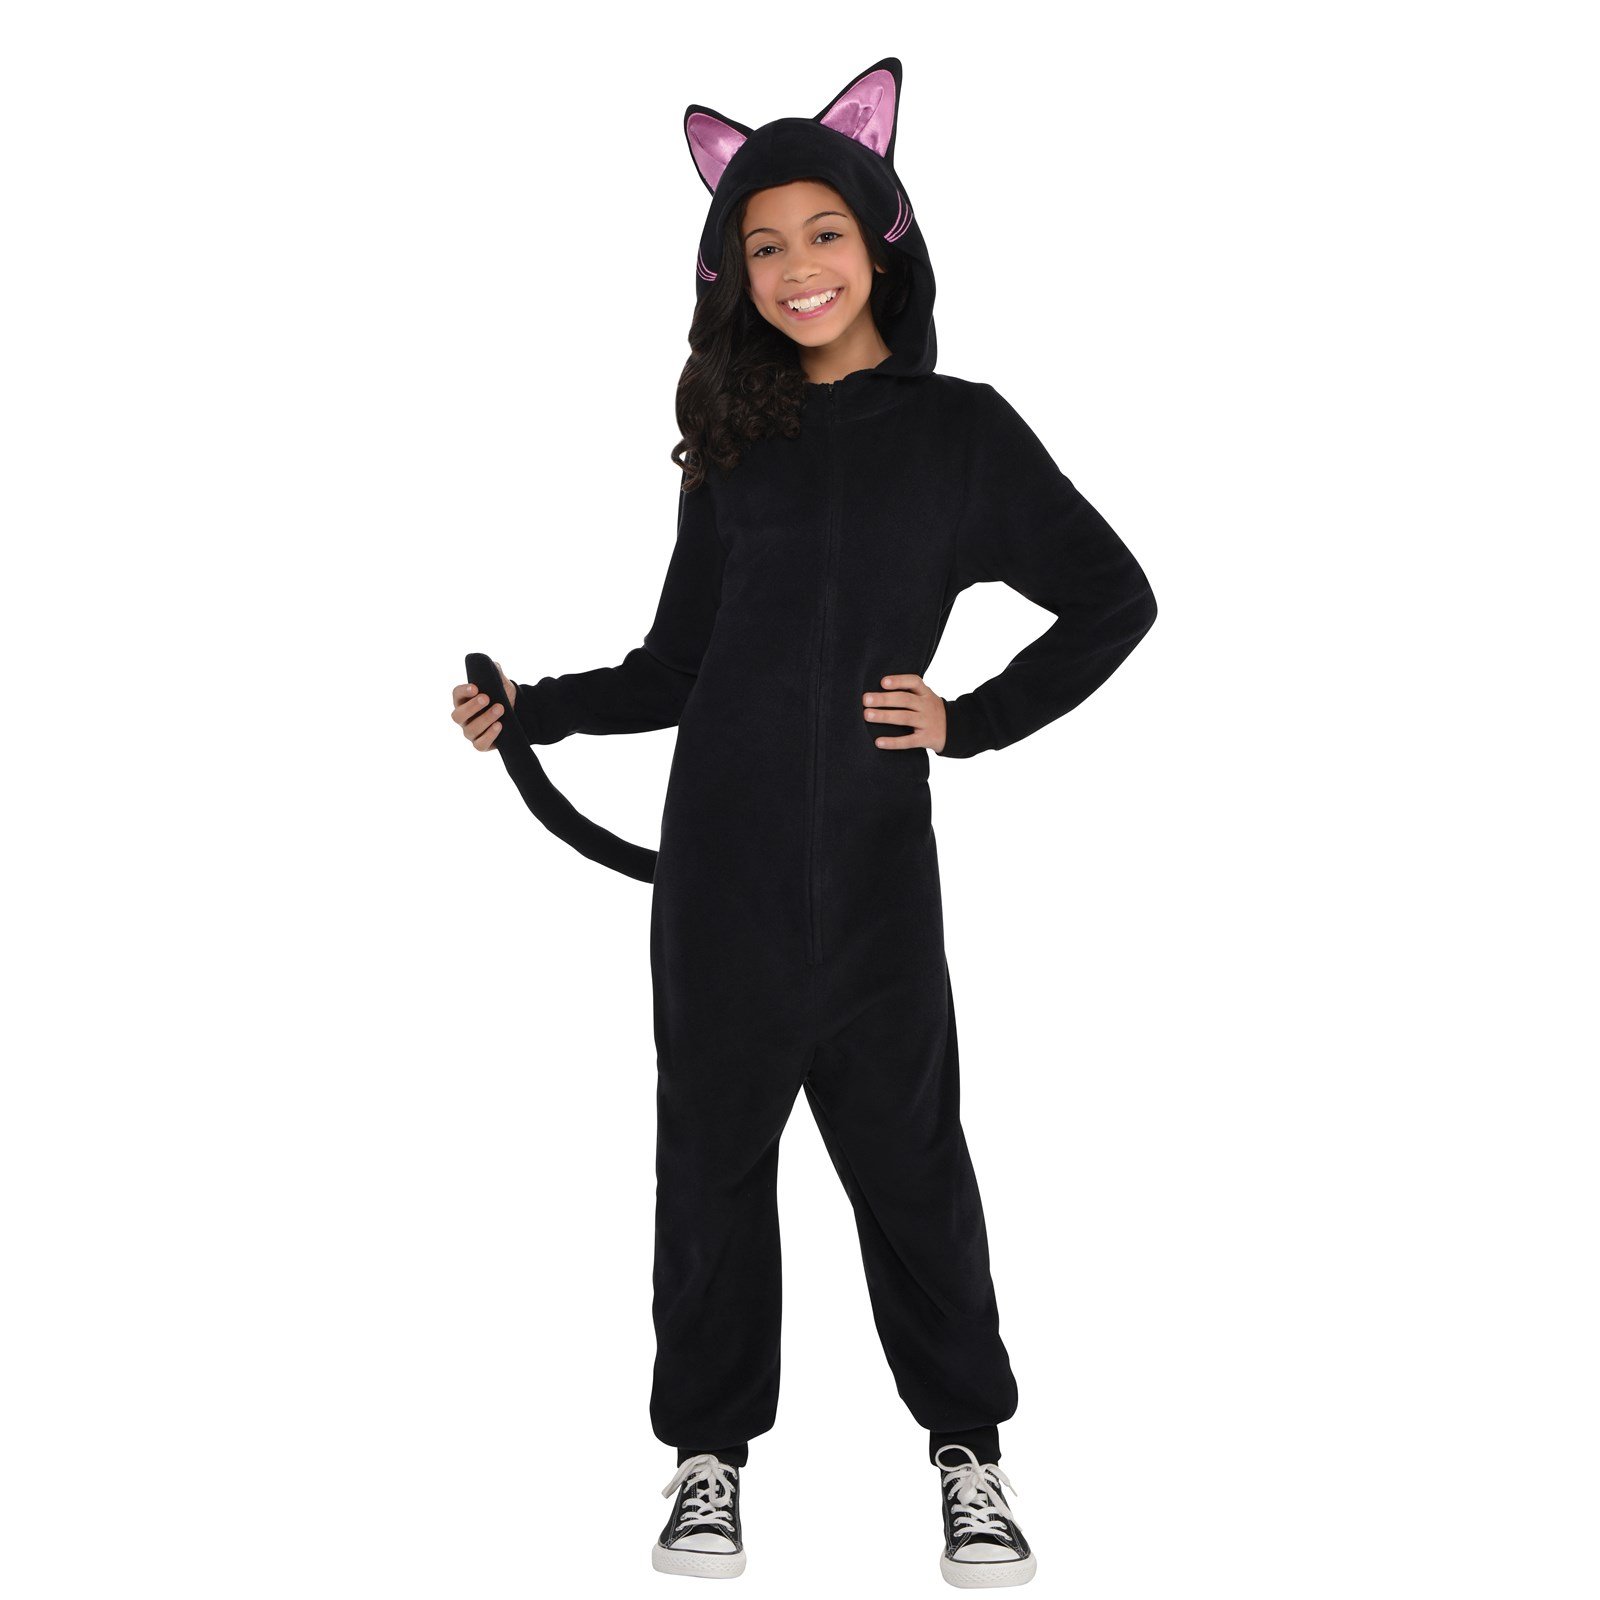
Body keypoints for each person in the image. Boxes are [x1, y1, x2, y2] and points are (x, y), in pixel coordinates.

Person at [451, 57, 1157, 1588]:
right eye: (762, 245)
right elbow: (676, 665)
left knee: (913, 1167)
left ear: (881, 240)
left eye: (822, 234)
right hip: (721, 880)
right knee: (710, 1171)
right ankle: (706, 1461)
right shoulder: (738, 446)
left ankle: (969, 1453)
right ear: (733, 272)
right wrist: (536, 708)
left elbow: (1115, 598)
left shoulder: (965, 434)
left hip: (880, 885)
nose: (796, 268)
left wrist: (972, 718)